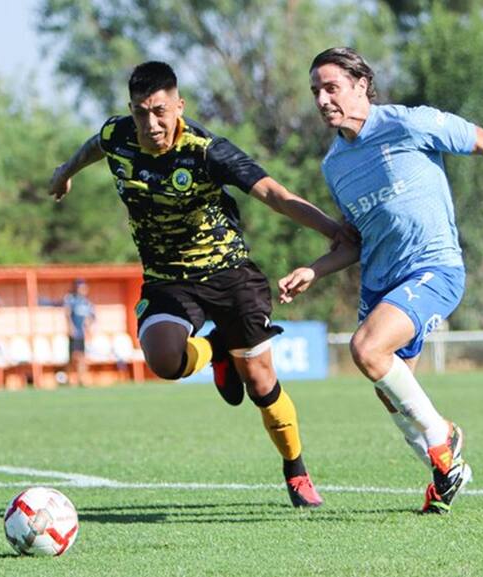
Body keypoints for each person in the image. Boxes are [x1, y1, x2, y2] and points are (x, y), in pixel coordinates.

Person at [279, 47, 483, 514]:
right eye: (315, 91)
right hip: (380, 284)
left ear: (361, 85)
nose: (322, 99)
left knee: (366, 349)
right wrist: (313, 270)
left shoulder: (408, 123)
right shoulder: (334, 166)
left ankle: (445, 438)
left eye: (331, 87)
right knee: (391, 396)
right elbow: (354, 242)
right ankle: (444, 471)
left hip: (434, 267)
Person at [48, 61, 351, 508]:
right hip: (167, 279)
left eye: (159, 111)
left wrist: (332, 231)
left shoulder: (206, 151)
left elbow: (275, 194)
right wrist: (65, 171)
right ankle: (217, 352)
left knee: (261, 383)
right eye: (139, 112)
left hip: (228, 274)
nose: (150, 123)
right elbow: (94, 145)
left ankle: (296, 471)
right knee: (163, 359)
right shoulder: (119, 136)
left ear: (178, 106)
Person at [40, 279, 97, 386]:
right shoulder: (71, 299)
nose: (83, 289)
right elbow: (67, 313)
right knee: (73, 358)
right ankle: (68, 378)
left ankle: (81, 379)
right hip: (74, 333)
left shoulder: (86, 302)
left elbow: (92, 316)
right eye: (81, 287)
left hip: (82, 334)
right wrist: (70, 327)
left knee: (81, 357)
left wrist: (89, 326)